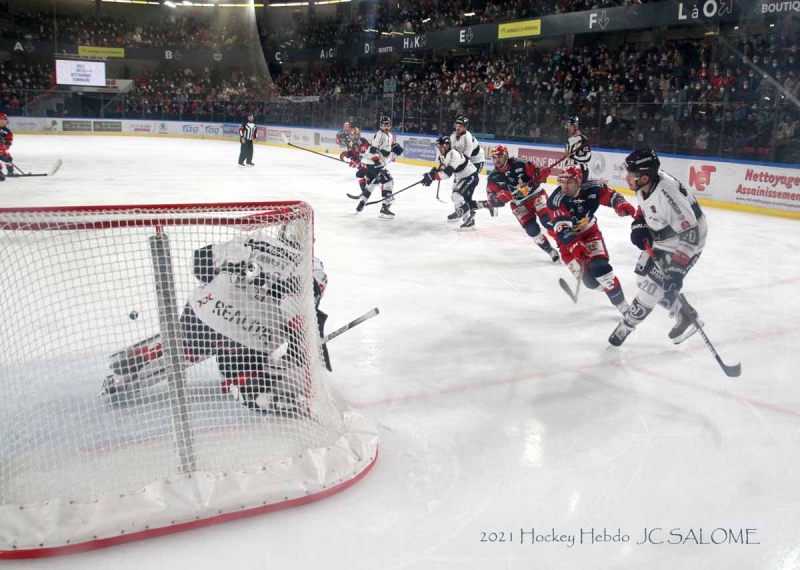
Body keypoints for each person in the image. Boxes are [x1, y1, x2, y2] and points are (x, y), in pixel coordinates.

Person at [102, 226, 330, 415]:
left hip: (206, 311)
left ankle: (138, 360)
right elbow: (302, 313)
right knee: (243, 376)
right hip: (250, 336)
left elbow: (200, 262)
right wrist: (299, 355)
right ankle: (267, 396)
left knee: (186, 344)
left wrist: (230, 279)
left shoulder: (256, 238)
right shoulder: (314, 267)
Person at [609, 149, 708, 346]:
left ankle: (626, 326)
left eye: (631, 174)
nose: (627, 178)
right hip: (663, 239)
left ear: (644, 177)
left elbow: (691, 234)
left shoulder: (666, 194)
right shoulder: (644, 184)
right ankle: (684, 313)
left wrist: (676, 271)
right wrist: (640, 224)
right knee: (642, 280)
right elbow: (645, 207)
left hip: (684, 243)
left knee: (652, 288)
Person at [547, 164, 636, 313]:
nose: (565, 186)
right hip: (566, 242)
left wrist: (620, 204)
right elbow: (562, 229)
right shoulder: (556, 201)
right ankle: (609, 289)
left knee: (600, 267)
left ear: (578, 182)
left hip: (589, 232)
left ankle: (623, 307)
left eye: (569, 182)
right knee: (589, 282)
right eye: (562, 181)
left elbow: (612, 196)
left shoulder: (594, 188)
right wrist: (575, 245)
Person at [485, 145, 559, 262]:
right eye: (494, 157)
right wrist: (498, 199)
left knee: (547, 220)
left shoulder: (521, 164)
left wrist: (541, 175)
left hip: (536, 195)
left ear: (506, 156)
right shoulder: (493, 177)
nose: (497, 160)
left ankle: (564, 243)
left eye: (500, 156)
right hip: (518, 204)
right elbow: (490, 198)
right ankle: (549, 250)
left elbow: (538, 174)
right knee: (531, 229)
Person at [420, 135, 490, 230]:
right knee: (458, 199)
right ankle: (469, 217)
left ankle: (469, 218)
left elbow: (447, 174)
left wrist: (432, 177)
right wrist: (434, 172)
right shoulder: (444, 155)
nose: (439, 149)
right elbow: (443, 168)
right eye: (438, 147)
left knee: (457, 195)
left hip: (470, 177)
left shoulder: (454, 155)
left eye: (441, 146)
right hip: (462, 178)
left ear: (447, 146)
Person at [355, 116, 403, 219]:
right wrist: (377, 162)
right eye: (384, 125)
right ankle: (384, 208)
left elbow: (385, 147)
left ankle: (362, 203)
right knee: (389, 182)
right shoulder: (380, 135)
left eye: (388, 125)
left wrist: (394, 147)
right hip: (373, 163)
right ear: (381, 126)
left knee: (373, 183)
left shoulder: (388, 135)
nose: (386, 127)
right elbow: (372, 150)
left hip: (371, 163)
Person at [564, 116, 591, 182]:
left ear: (576, 126)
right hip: (570, 172)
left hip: (581, 172)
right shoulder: (568, 140)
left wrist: (572, 156)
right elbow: (568, 158)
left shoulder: (583, 139)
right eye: (568, 126)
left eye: (570, 125)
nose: (568, 128)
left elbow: (587, 158)